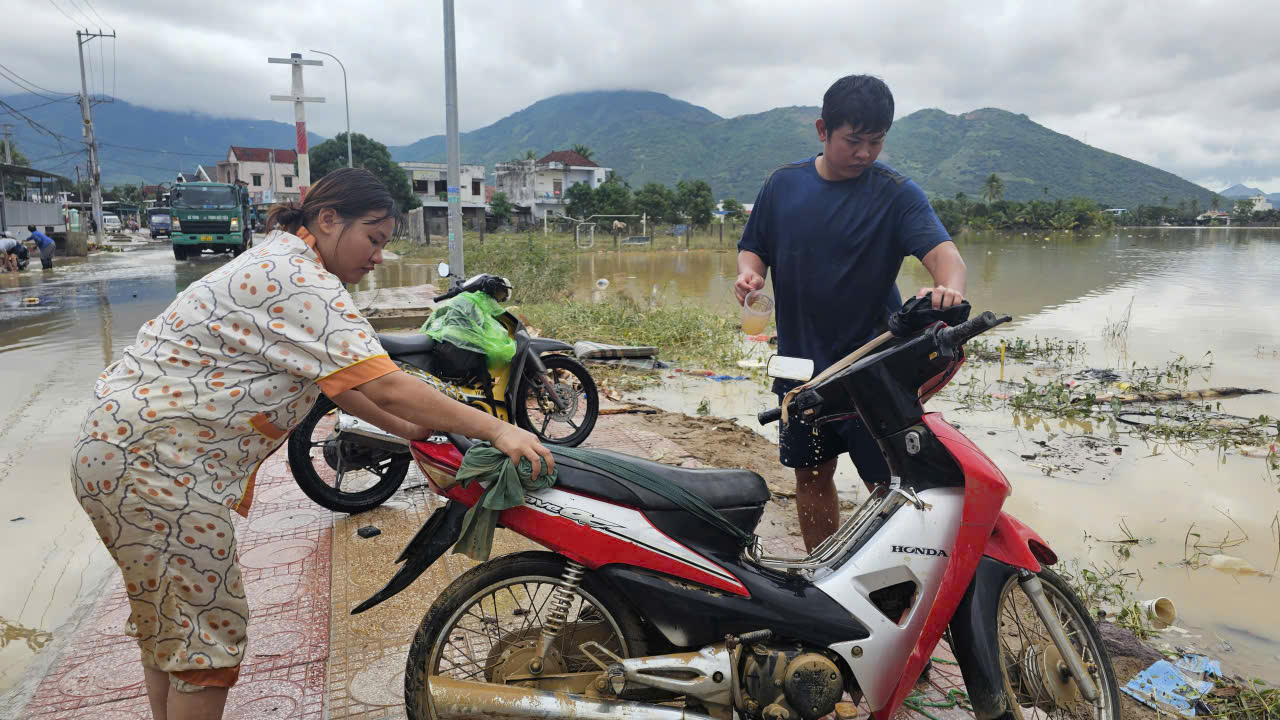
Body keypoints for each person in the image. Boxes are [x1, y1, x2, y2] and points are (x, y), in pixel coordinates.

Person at [71, 168, 553, 720]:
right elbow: (386, 384)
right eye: (373, 238)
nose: (378, 256)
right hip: (160, 469)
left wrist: (410, 431)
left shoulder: (277, 260)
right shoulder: (298, 278)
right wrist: (497, 428)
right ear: (328, 219)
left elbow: (341, 385)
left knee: (173, 627)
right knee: (207, 638)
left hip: (115, 452)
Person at [735, 74, 967, 552]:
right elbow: (752, 248)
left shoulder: (897, 195)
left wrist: (948, 290)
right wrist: (750, 275)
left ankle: (890, 579)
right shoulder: (782, 186)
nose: (864, 153)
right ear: (823, 129)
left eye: (876, 141)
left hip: (874, 370)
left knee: (890, 486)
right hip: (803, 374)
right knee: (812, 475)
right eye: (853, 141)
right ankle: (823, 571)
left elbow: (948, 258)